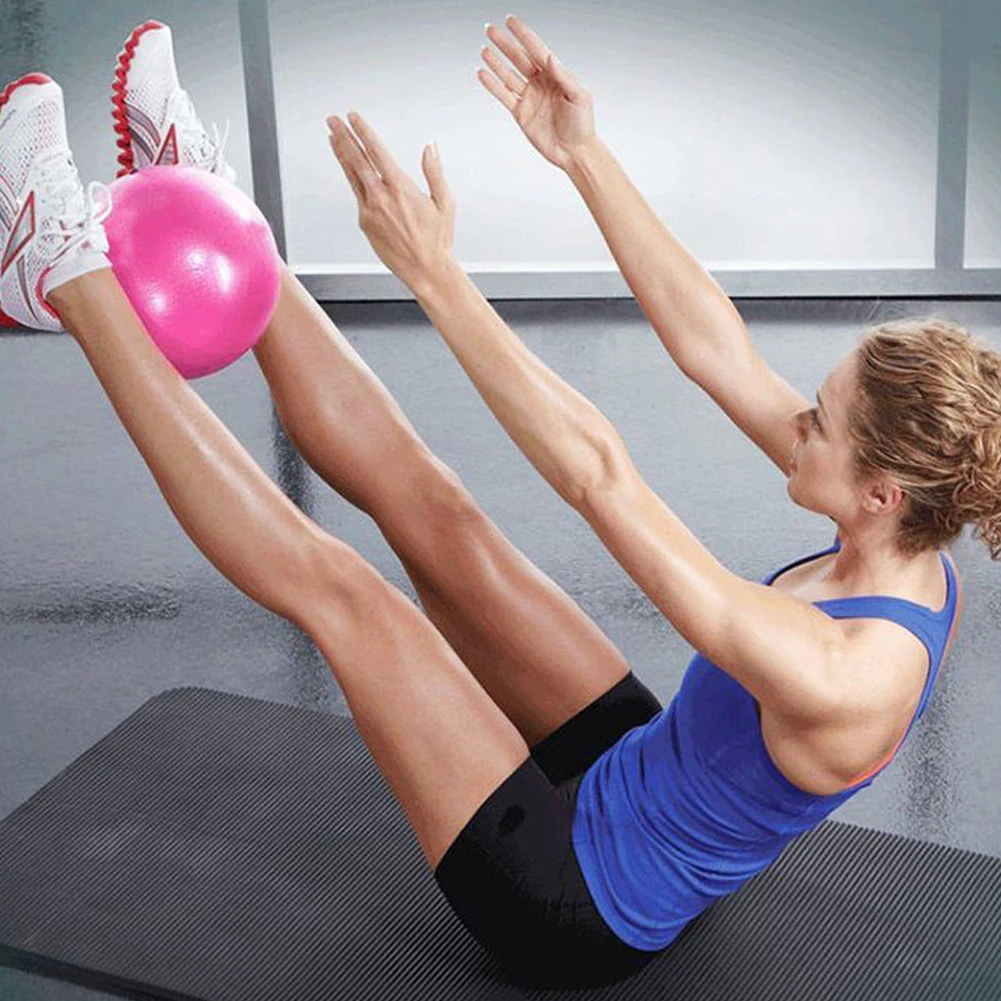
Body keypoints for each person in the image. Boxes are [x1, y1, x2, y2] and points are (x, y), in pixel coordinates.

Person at [1, 12, 998, 990]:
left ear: (876, 490)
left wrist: (437, 277)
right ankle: (210, 199)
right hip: (647, 766)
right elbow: (714, 346)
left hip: (573, 895)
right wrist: (584, 157)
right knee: (440, 509)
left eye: (817, 422)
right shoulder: (911, 527)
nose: (796, 420)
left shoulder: (844, 671)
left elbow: (597, 477)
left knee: (347, 593)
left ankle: (64, 272)